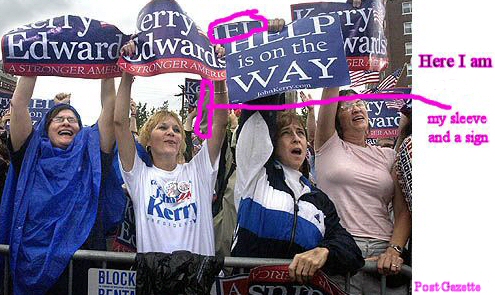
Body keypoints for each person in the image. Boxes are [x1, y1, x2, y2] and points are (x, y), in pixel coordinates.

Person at [0, 76, 124, 295]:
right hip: (31, 263)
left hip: (81, 267)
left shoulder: (91, 157)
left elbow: (110, 109)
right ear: (45, 129)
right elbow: (18, 105)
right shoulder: (30, 155)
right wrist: (31, 62)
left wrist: (108, 68)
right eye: (58, 119)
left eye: (72, 119)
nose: (66, 122)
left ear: (81, 129)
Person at [231, 94, 364, 283]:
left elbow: (352, 252)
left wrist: (324, 251)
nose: (296, 139)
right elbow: (258, 115)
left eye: (300, 133)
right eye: (286, 133)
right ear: (273, 143)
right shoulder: (256, 176)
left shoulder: (319, 199)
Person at [114, 42, 228, 255]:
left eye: (176, 129)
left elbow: (220, 123)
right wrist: (128, 72)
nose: (171, 132)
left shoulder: (198, 171)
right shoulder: (138, 175)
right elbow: (119, 124)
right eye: (163, 127)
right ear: (147, 140)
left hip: (196, 283)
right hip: (155, 281)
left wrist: (218, 73)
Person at [314, 88, 412, 294]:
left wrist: (394, 251)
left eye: (360, 103)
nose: (356, 108)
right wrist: (334, 61)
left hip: (384, 255)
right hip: (342, 250)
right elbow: (329, 95)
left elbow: (402, 211)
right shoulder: (328, 146)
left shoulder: (388, 156)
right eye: (347, 106)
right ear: (335, 118)